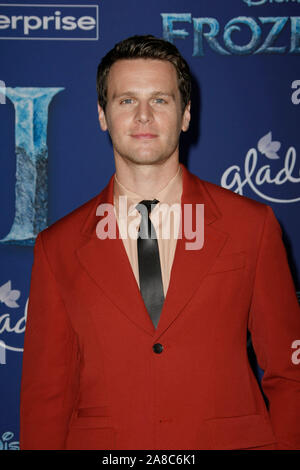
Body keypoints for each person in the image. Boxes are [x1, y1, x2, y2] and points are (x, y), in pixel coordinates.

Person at [20, 35, 300, 450]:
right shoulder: (56, 247)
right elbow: (46, 395)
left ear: (186, 114)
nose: (144, 116)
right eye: (126, 100)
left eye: (161, 100)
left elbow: (290, 374)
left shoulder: (251, 226)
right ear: (103, 115)